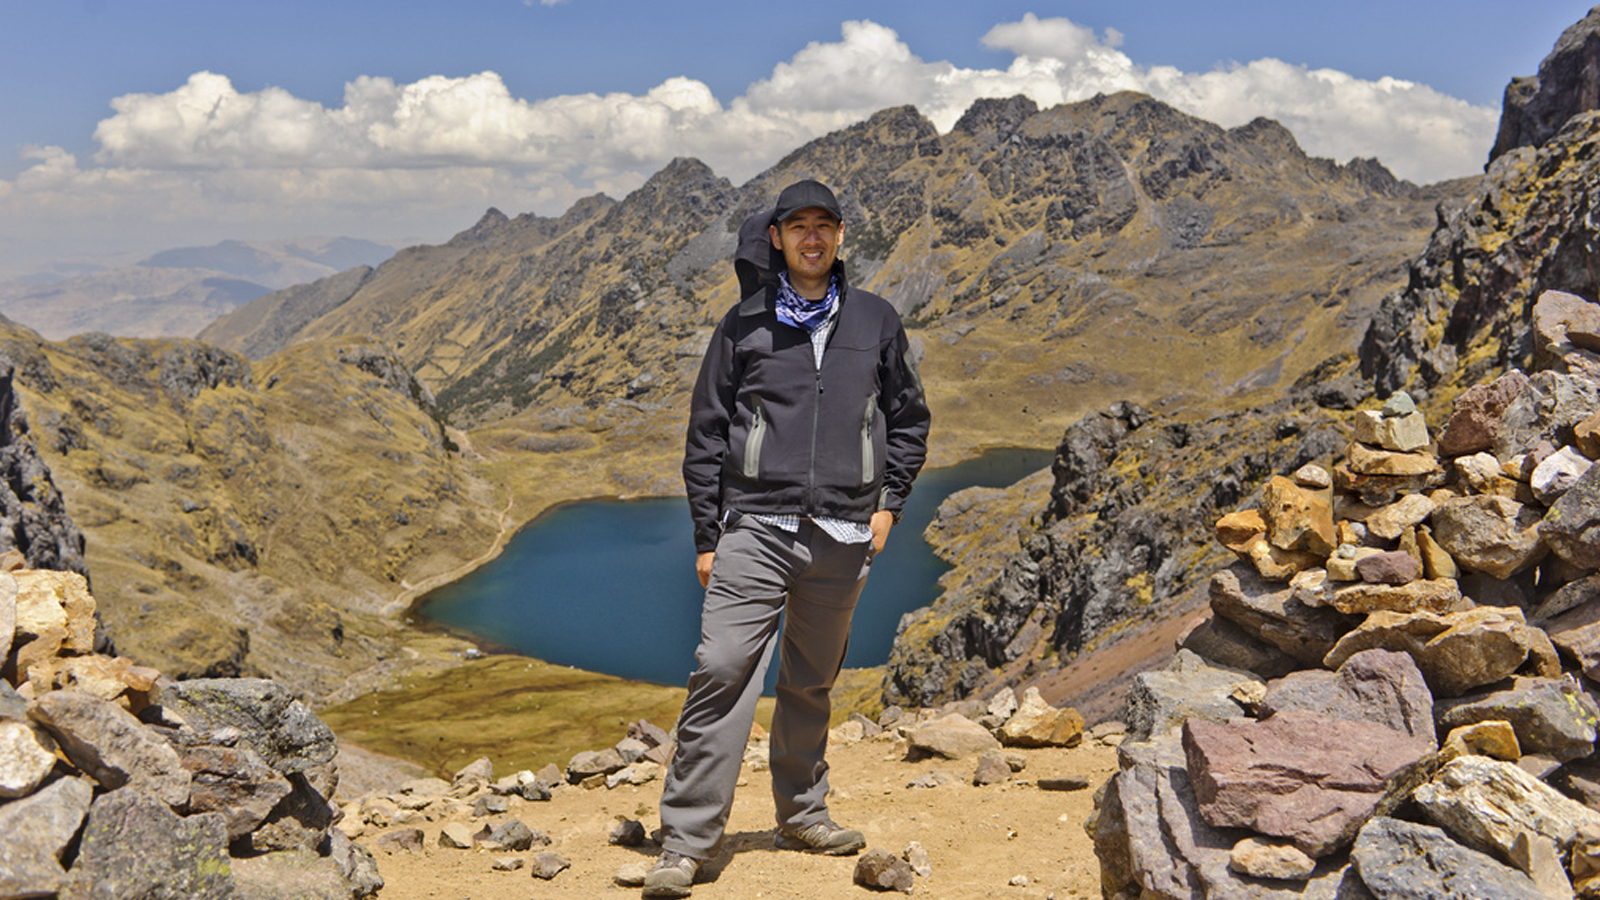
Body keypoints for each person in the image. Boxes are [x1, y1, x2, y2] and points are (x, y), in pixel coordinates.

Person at [646, 179, 930, 898]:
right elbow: (706, 436)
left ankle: (801, 814)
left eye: (823, 226)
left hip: (842, 534)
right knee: (723, 668)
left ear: (840, 236)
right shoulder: (743, 325)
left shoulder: (876, 320)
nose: (811, 238)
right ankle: (685, 843)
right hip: (755, 527)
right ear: (775, 237)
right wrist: (708, 538)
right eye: (796, 226)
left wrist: (889, 506)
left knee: (810, 679)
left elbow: (908, 419)